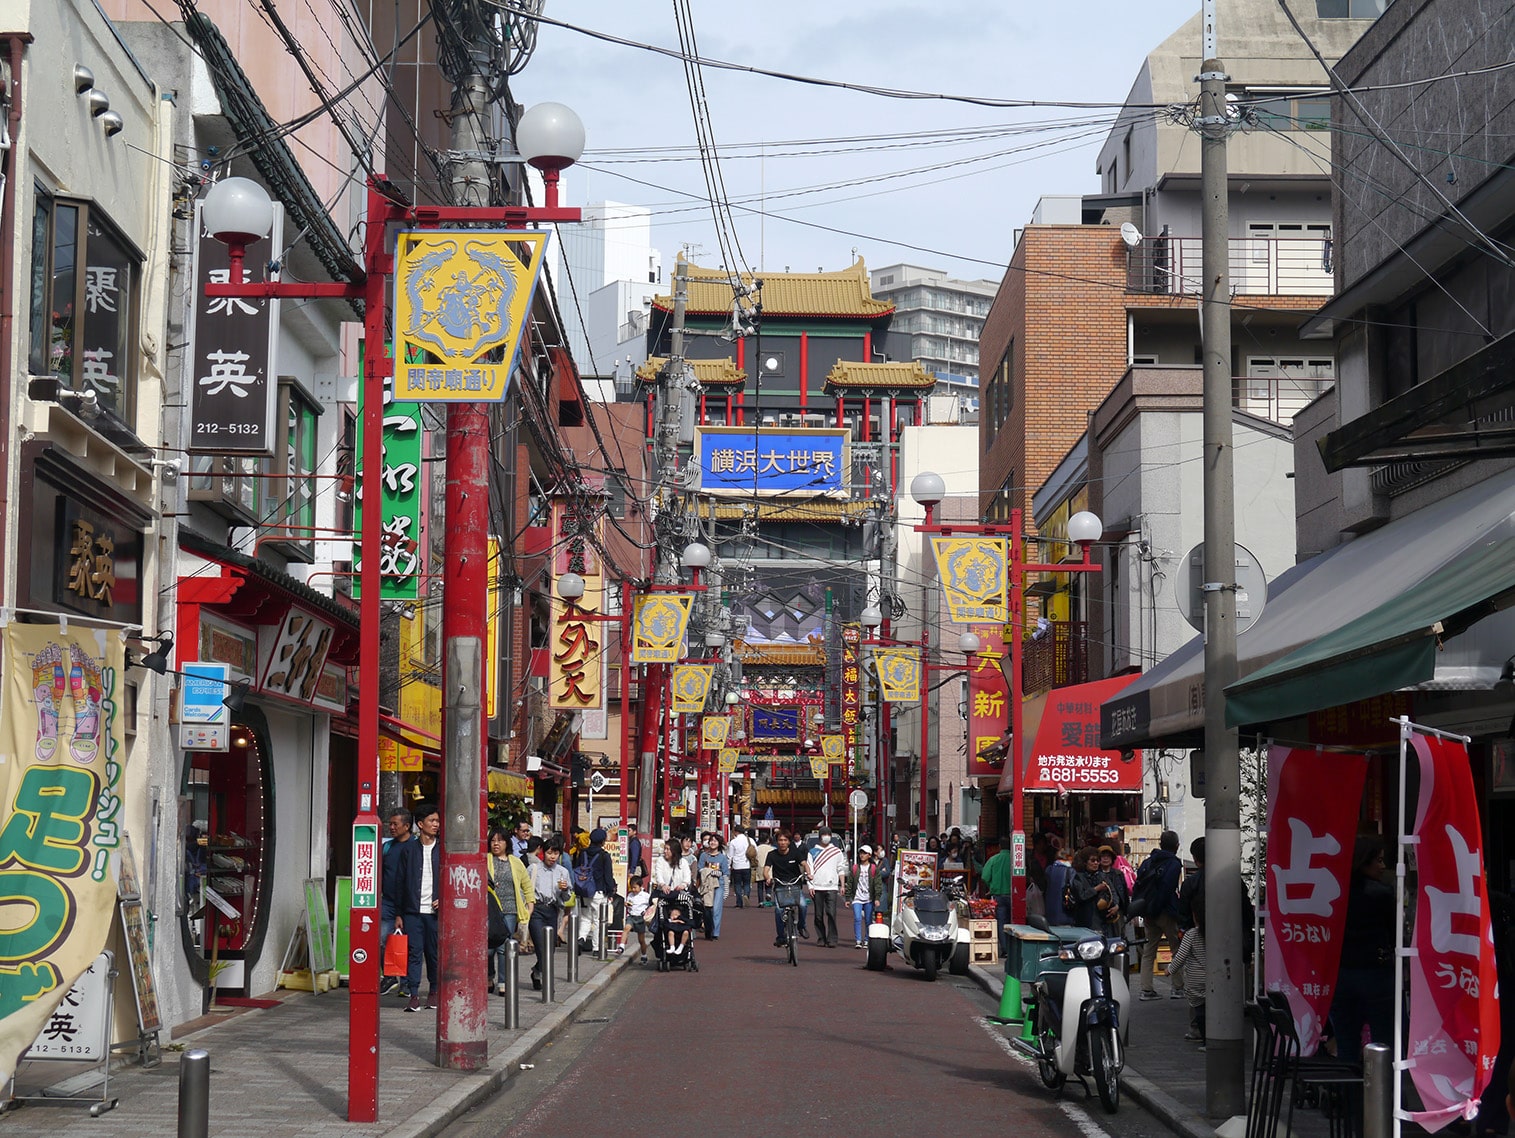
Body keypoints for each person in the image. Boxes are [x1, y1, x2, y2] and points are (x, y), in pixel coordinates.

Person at [1328, 836, 1396, 1065]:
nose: (1382, 866)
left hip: (1343, 974)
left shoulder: (1336, 891)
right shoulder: (1382, 894)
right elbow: (1394, 932)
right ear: (1364, 861)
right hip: (1376, 973)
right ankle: (1383, 1096)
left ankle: (1350, 1099)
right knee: (1384, 1042)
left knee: (1347, 1044)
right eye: (1378, 860)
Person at [396, 803, 441, 1011]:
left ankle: (433, 991)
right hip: (413, 912)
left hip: (435, 913)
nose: (436, 824)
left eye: (437, 821)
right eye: (432, 821)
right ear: (420, 824)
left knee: (433, 953)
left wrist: (443, 898)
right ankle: (413, 994)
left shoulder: (443, 849)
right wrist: (399, 913)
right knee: (415, 953)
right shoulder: (408, 850)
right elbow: (399, 882)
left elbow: (449, 880)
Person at [1136, 830, 1185, 1002]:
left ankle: (1146, 989)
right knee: (1176, 949)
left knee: (1149, 951)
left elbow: (1139, 886)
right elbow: (1167, 888)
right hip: (1166, 911)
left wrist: (1147, 910)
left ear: (1160, 843)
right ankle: (1178, 987)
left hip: (1148, 912)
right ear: (1176, 846)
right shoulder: (1174, 864)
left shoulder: (1147, 862)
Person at [486, 824, 533, 994]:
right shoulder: (485, 859)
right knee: (489, 947)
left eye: (500, 841)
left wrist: (530, 903)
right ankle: (489, 977)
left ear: (507, 843)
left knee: (504, 947)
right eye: (493, 841)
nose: (496, 844)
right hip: (490, 909)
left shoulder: (516, 861)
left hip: (510, 909)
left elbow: (526, 884)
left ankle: (503, 983)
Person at [526, 837, 573, 990]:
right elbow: (525, 890)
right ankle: (547, 984)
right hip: (537, 910)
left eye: (556, 853)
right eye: (549, 853)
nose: (552, 857)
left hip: (553, 910)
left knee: (550, 948)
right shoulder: (533, 869)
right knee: (541, 946)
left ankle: (537, 971)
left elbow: (567, 897)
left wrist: (565, 890)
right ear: (543, 853)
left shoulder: (563, 872)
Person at [379, 808, 411, 995]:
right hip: (388, 902)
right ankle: (389, 976)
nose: (391, 827)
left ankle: (407, 983)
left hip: (410, 904)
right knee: (382, 939)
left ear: (406, 826)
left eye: (395, 824)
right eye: (390, 824)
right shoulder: (387, 847)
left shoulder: (415, 846)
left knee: (410, 944)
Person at [1168, 891, 1207, 1046]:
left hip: (1196, 978)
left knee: (1199, 1010)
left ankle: (1203, 1039)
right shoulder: (1217, 933)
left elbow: (1181, 956)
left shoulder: (1192, 934)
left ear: (1195, 916)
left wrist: (1169, 969)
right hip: (1215, 977)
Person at [765, 830, 807, 947]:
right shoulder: (772, 855)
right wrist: (767, 877)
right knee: (778, 910)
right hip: (780, 887)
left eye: (785, 840)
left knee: (803, 905)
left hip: (795, 885)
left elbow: (804, 864)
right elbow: (766, 869)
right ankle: (781, 937)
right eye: (780, 840)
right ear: (776, 842)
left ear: (789, 842)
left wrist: (809, 873)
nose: (782, 843)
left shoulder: (795, 853)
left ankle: (801, 926)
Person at [808, 826, 846, 947]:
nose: (826, 837)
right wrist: (810, 886)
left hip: (832, 887)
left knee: (831, 913)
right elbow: (809, 871)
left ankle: (832, 939)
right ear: (820, 837)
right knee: (818, 915)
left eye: (828, 834)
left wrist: (842, 885)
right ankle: (821, 937)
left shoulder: (836, 851)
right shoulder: (812, 852)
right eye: (824, 834)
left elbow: (841, 869)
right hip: (817, 887)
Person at [980, 837, 1015, 959]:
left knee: (1001, 922)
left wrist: (992, 885)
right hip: (1014, 895)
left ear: (999, 846)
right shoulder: (1015, 859)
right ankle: (1015, 948)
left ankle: (1005, 949)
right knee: (1014, 922)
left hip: (998, 895)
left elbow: (984, 876)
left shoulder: (994, 859)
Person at [849, 844, 883, 948]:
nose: (862, 855)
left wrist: (877, 898)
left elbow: (877, 884)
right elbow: (850, 883)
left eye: (864, 853)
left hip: (869, 898)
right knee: (857, 918)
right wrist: (847, 898)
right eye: (861, 853)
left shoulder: (873, 868)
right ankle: (858, 940)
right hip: (857, 898)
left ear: (869, 855)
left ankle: (867, 939)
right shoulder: (855, 868)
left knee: (868, 919)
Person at [696, 833, 729, 939]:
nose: (712, 843)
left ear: (719, 843)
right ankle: (708, 929)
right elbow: (700, 869)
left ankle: (715, 933)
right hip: (707, 885)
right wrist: (709, 872)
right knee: (707, 908)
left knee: (716, 909)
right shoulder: (704, 856)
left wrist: (726, 890)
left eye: (715, 841)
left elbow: (725, 874)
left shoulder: (722, 858)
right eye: (711, 840)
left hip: (719, 885)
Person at [1066, 846, 1104, 930]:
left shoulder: (1101, 876)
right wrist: (1096, 889)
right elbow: (1081, 896)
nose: (1096, 863)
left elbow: (1111, 891)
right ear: (1085, 862)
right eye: (1093, 860)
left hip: (1100, 921)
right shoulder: (1078, 877)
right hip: (1084, 921)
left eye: (1098, 861)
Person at [1095, 846, 1129, 935]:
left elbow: (1124, 895)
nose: (1105, 858)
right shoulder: (1094, 875)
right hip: (1100, 915)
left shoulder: (1118, 874)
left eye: (1108, 856)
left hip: (1117, 914)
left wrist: (1118, 907)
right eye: (1103, 856)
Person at [624, 872, 654, 964]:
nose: (633, 890)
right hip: (631, 916)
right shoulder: (630, 895)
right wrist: (626, 904)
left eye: (635, 887)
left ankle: (644, 955)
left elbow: (651, 905)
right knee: (626, 928)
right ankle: (621, 946)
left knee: (641, 940)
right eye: (632, 887)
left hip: (640, 918)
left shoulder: (646, 896)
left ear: (640, 886)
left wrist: (647, 912)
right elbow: (628, 904)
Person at [1044, 842, 1075, 926]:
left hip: (1050, 912)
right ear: (1070, 858)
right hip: (1065, 913)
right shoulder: (1071, 871)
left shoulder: (1049, 869)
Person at [728, 827, 754, 908]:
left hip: (736, 866)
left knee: (737, 884)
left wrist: (728, 865)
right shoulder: (750, 840)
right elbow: (755, 850)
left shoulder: (733, 842)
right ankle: (746, 895)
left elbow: (730, 855)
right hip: (747, 864)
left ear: (736, 832)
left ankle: (739, 903)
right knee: (747, 883)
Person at [752, 832, 775, 906]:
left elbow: (754, 858)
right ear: (767, 840)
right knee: (769, 882)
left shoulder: (757, 848)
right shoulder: (771, 848)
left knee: (760, 886)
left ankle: (761, 902)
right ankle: (768, 893)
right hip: (769, 867)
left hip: (759, 867)